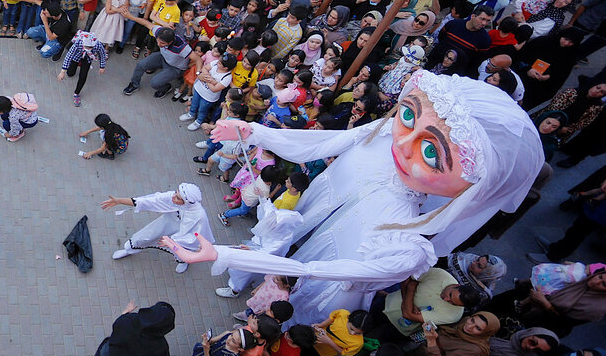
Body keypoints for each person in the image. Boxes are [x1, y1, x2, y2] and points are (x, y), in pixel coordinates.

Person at [163, 71, 544, 327]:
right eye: (408, 118)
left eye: (432, 154)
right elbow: (323, 143)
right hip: (302, 221)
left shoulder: (404, 245)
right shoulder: (381, 137)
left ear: (473, 189)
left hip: (307, 283)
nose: (405, 146)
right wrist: (254, 132)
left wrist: (224, 254)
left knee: (292, 293)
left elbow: (315, 273)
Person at [101, 184, 213, 274]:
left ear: (187, 202)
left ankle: (183, 261)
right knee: (145, 235)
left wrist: (172, 243)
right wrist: (119, 201)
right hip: (167, 222)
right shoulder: (173, 197)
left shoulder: (199, 216)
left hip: (183, 235)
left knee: (182, 250)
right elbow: (149, 200)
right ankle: (128, 249)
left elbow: (195, 236)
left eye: (178, 198)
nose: (173, 197)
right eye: (175, 193)